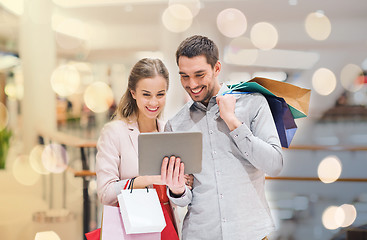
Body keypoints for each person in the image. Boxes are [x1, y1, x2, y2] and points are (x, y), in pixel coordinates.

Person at [160, 35, 284, 240]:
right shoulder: (176, 125)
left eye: (200, 75)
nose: (192, 84)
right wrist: (177, 188)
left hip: (250, 232)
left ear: (217, 68)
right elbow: (182, 199)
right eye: (184, 76)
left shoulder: (253, 104)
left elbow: (274, 165)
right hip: (200, 234)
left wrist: (233, 122)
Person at [96, 58, 190, 240]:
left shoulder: (170, 131)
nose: (154, 102)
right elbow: (105, 194)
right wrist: (146, 179)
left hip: (168, 224)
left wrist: (179, 185)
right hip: (132, 228)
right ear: (133, 93)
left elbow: (181, 196)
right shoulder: (114, 132)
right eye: (146, 94)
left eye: (160, 94)